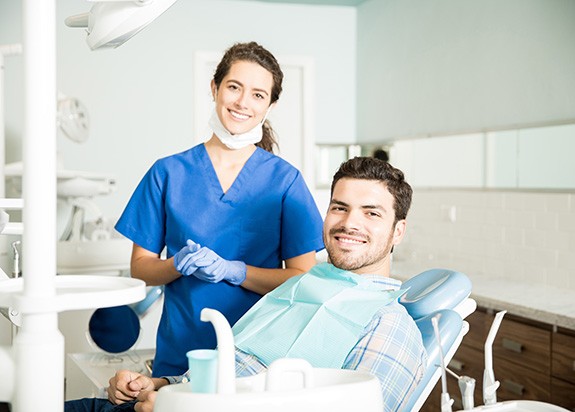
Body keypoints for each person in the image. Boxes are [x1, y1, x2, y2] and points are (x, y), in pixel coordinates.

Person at [66, 156, 427, 412]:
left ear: (399, 231)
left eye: (371, 213)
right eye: (339, 207)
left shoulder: (390, 326)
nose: (349, 223)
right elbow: (233, 368)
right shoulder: (300, 287)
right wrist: (161, 387)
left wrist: (187, 408)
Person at [113, 41, 324, 377]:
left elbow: (303, 279)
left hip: (257, 359)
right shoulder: (167, 172)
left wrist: (236, 271)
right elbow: (141, 268)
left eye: (258, 94)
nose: (243, 102)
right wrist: (176, 265)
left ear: (269, 105)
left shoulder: (285, 181)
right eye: (234, 87)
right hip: (182, 352)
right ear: (215, 88)